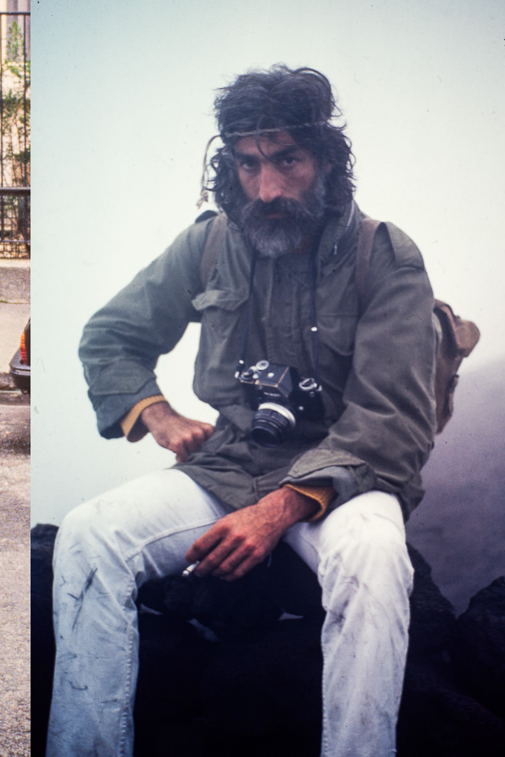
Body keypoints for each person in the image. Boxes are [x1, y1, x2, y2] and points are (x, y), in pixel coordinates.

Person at [51, 66, 431, 757]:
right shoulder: (211, 242)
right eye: (248, 163)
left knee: (376, 556)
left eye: (286, 159)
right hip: (228, 465)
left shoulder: (384, 255)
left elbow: (393, 416)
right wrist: (156, 415)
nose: (268, 188)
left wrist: (279, 509)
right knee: (87, 533)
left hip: (344, 479)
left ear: (324, 159)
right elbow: (110, 336)